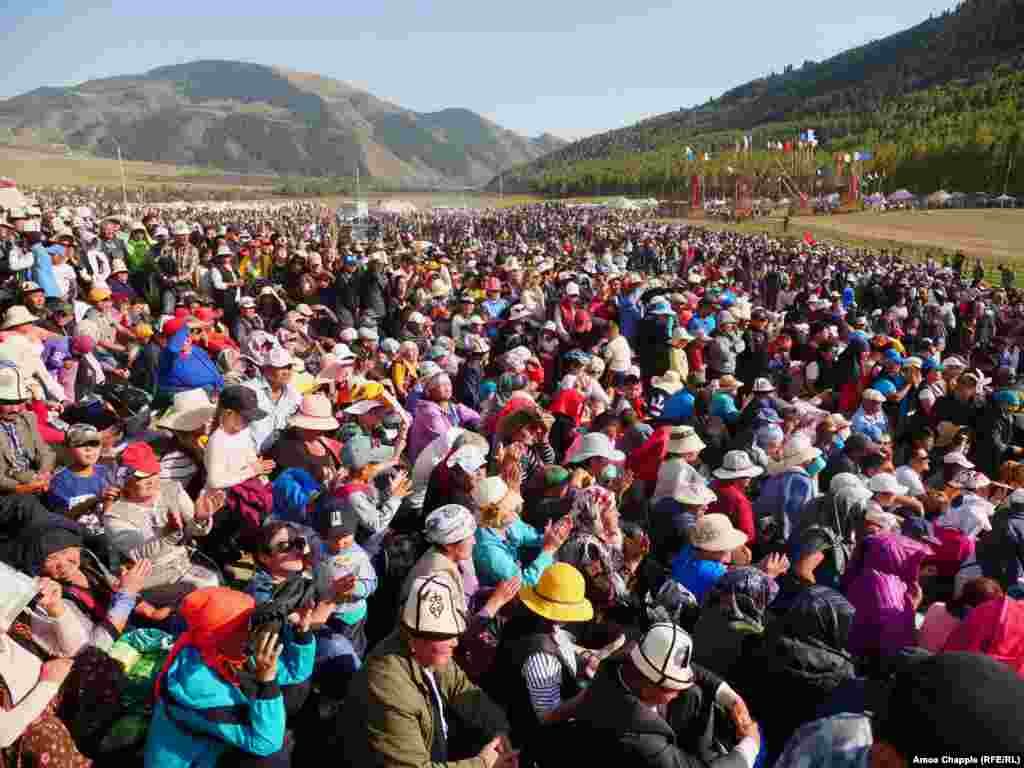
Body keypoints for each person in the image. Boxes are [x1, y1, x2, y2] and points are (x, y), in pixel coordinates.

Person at [341, 573, 514, 768]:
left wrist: (499, 729)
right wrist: (482, 764)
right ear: (416, 639)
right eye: (447, 636)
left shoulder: (429, 651)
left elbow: (461, 689)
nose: (455, 642)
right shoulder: (388, 687)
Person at [144, 586, 316, 768]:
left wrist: (300, 632)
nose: (252, 630)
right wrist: (267, 683)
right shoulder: (198, 687)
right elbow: (266, 744)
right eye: (244, 626)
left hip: (216, 739)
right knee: (273, 758)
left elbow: (295, 672)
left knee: (298, 688)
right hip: (191, 758)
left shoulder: (224, 649)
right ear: (221, 637)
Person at [572, 622, 761, 768]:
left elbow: (693, 670)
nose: (679, 691)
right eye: (673, 687)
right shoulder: (638, 737)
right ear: (649, 686)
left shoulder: (628, 662)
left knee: (694, 692)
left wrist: (733, 700)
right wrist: (750, 745)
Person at [105, 442, 223, 606]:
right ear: (125, 479)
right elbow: (139, 553)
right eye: (141, 476)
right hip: (150, 580)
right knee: (204, 591)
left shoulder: (172, 489)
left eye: (153, 472)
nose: (150, 480)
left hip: (184, 565)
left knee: (214, 584)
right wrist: (169, 534)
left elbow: (194, 531)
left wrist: (199, 519)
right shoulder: (115, 515)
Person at [473, 476, 572, 588]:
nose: (515, 511)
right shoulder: (489, 551)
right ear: (494, 515)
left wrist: (548, 537)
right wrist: (549, 549)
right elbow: (524, 585)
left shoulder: (505, 521)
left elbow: (526, 534)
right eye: (509, 508)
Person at [0, 365, 56, 494]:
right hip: (10, 488)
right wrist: (25, 487)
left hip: (34, 476)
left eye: (19, 402)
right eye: (7, 403)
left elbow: (44, 451)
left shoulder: (27, 418)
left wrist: (44, 473)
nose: (15, 409)